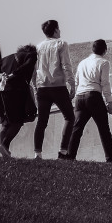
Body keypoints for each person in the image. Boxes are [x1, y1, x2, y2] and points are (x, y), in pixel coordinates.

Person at [66, 39, 112, 162]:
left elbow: (77, 81)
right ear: (105, 50)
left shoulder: (82, 63)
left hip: (80, 97)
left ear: (92, 49)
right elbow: (105, 83)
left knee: (77, 129)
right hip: (93, 96)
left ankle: (70, 156)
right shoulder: (104, 62)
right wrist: (109, 102)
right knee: (103, 128)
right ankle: (111, 157)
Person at [33, 20, 75, 160]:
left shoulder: (38, 47)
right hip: (58, 86)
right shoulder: (61, 43)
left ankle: (37, 153)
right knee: (69, 117)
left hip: (42, 87)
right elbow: (66, 65)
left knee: (42, 121)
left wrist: (35, 87)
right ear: (56, 30)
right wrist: (72, 84)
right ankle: (63, 151)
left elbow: (34, 69)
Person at [0, 43, 39, 158]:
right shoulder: (32, 55)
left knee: (6, 122)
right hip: (15, 91)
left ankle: (4, 150)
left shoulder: (6, 58)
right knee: (17, 121)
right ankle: (4, 144)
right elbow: (27, 66)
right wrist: (12, 75)